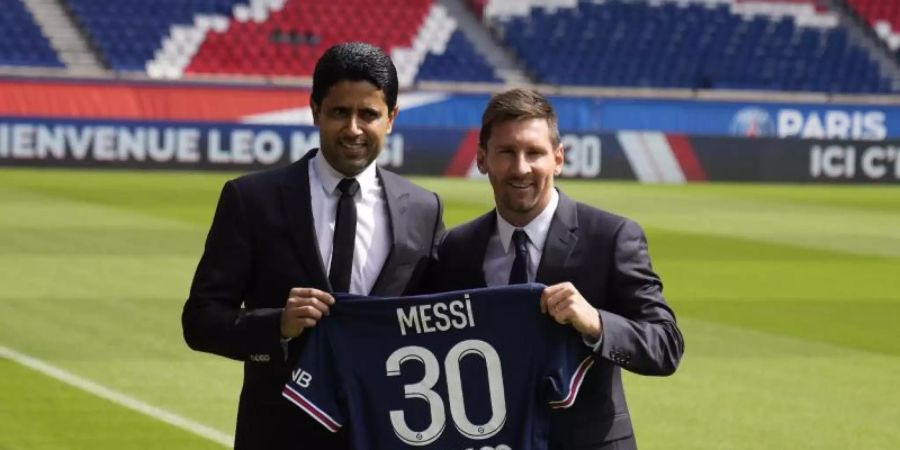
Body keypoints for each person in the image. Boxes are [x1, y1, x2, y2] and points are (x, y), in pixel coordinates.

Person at [182, 42, 444, 450]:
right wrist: (277, 326)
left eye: (369, 114)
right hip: (279, 434)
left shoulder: (424, 210)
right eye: (340, 112)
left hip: (385, 434)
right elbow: (199, 321)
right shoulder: (252, 200)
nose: (353, 128)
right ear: (315, 110)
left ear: (391, 118)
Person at [430, 88, 683, 450]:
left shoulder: (611, 237)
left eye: (534, 153)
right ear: (482, 159)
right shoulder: (456, 248)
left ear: (558, 158)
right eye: (506, 152)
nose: (521, 168)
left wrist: (596, 323)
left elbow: (666, 346)